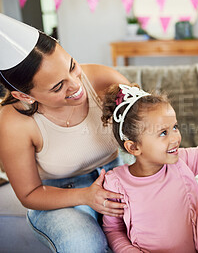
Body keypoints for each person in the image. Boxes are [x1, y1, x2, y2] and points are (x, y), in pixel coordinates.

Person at [0, 13, 130, 252]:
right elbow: (29, 193)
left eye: (72, 66)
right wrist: (86, 196)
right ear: (24, 96)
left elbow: (151, 128)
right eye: (58, 86)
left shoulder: (104, 81)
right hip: (58, 194)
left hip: (118, 176)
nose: (76, 85)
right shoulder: (13, 121)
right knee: (83, 244)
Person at [100, 68, 198, 253]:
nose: (175, 137)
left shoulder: (182, 162)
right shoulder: (116, 183)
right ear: (134, 147)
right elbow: (113, 229)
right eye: (163, 133)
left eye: (175, 127)